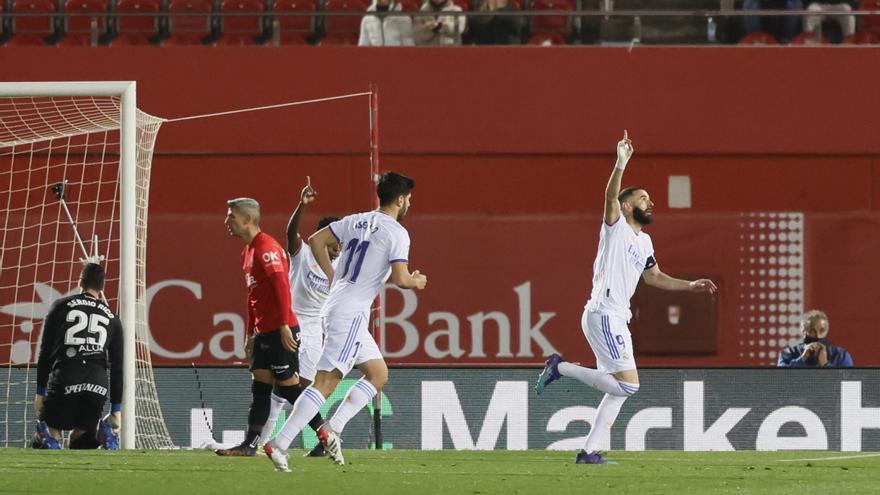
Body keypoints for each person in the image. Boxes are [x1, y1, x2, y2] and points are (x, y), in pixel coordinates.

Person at [535, 131, 718, 464]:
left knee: (617, 392)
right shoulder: (616, 226)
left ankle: (589, 452)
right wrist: (621, 163)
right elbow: (608, 198)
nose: (651, 203)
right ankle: (561, 367)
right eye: (644, 198)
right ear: (627, 205)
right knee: (629, 386)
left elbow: (655, 277)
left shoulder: (644, 242)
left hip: (616, 317)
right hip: (604, 313)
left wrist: (690, 286)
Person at [264, 171, 427, 472]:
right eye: (409, 200)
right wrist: (417, 281)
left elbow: (315, 240)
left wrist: (333, 275)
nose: (409, 205)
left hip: (338, 306)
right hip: (350, 312)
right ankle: (279, 443)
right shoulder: (397, 233)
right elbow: (402, 280)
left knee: (378, 374)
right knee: (325, 383)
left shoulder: (356, 220)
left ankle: (334, 430)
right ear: (401, 199)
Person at [258, 177, 341, 457]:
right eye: (333, 245)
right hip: (290, 325)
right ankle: (269, 442)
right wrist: (301, 205)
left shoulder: (340, 266)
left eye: (340, 246)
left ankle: (322, 436)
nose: (337, 251)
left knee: (296, 389)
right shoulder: (303, 253)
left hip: (315, 330)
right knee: (281, 390)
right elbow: (290, 232)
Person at [217, 197, 301, 456]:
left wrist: (285, 324)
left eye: (231, 216)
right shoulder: (248, 251)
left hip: (281, 330)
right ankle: (249, 445)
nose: (226, 222)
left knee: (289, 390)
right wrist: (249, 332)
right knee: (261, 389)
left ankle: (323, 432)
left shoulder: (267, 247)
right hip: (263, 332)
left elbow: (281, 285)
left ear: (248, 219)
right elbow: (253, 296)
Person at [33, 262, 122, 450]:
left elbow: (45, 352)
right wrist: (116, 409)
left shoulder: (61, 306)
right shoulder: (113, 318)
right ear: (102, 286)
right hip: (97, 384)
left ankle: (50, 440)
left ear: (80, 282)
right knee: (80, 439)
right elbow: (118, 367)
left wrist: (40, 391)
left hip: (66, 377)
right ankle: (100, 432)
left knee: (50, 433)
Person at [777, 309, 853, 367]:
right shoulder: (788, 354)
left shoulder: (840, 355)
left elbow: (848, 384)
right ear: (803, 332)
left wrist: (826, 365)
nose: (817, 336)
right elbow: (780, 381)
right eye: (812, 331)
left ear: (827, 331)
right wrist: (802, 360)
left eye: (822, 331)